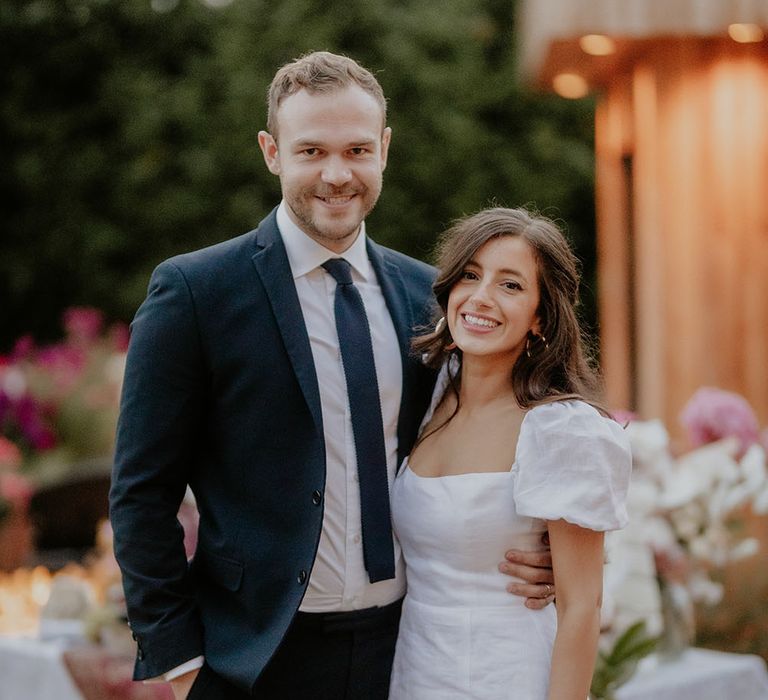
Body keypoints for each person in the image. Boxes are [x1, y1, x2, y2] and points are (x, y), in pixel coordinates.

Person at [109, 53, 554, 700]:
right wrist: (180, 663)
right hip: (255, 658)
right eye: (311, 150)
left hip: (407, 648)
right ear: (271, 151)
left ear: (385, 150)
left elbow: (489, 430)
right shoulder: (195, 294)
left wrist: (544, 544)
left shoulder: (428, 296)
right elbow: (140, 494)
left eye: (356, 150)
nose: (336, 173)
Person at [388, 207, 632, 699]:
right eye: (471, 276)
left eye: (511, 285)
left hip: (508, 676)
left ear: (540, 317)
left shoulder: (563, 429)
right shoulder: (431, 396)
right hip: (416, 672)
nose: (481, 297)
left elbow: (583, 606)